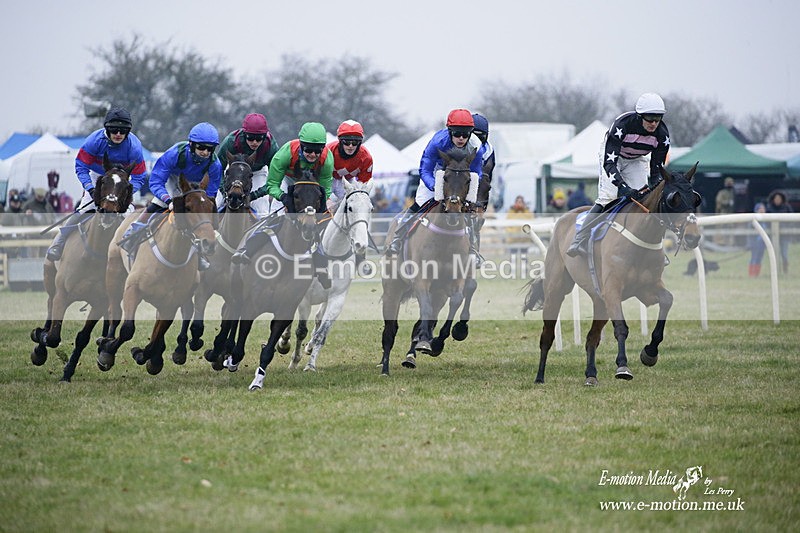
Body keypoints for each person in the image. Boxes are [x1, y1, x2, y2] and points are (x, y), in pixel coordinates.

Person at [566, 92, 670, 257]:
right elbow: (609, 163)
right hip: (613, 158)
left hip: (637, 160)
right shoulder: (622, 125)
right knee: (608, 197)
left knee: (645, 198)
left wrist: (654, 188)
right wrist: (623, 187)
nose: (654, 123)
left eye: (658, 119)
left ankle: (652, 247)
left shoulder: (662, 135)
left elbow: (656, 169)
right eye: (650, 118)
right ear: (640, 116)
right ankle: (580, 239)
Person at [231, 122, 333, 286]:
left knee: (316, 222)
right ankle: (247, 249)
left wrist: (319, 204)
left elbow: (326, 189)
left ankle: (321, 266)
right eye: (308, 150)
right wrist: (284, 197)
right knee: (275, 218)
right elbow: (271, 185)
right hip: (288, 181)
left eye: (317, 150)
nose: (313, 154)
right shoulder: (284, 154)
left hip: (312, 186)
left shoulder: (327, 159)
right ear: (301, 146)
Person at [45, 106, 148, 261]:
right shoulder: (94, 141)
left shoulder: (134, 147)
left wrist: (125, 193)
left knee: (128, 213)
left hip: (121, 181)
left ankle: (134, 251)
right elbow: (81, 166)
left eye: (123, 131)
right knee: (85, 208)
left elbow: (140, 177)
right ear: (107, 129)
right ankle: (58, 243)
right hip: (99, 176)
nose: (118, 134)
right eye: (114, 130)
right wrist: (91, 189)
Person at [120, 122, 222, 270]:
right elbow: (156, 180)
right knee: (158, 204)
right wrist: (168, 199)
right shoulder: (175, 153)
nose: (205, 152)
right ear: (192, 145)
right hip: (172, 179)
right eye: (201, 147)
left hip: (196, 186)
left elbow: (211, 193)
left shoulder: (215, 165)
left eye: (210, 149)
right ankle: (133, 233)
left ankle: (200, 255)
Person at [385, 108, 485, 256]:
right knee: (420, 203)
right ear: (450, 131)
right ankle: (397, 238)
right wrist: (435, 186)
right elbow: (425, 169)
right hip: (435, 174)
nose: (461, 138)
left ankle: (473, 250)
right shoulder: (438, 142)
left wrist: (467, 193)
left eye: (465, 134)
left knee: (469, 210)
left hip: (459, 180)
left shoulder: (476, 148)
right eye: (457, 133)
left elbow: (477, 174)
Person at [327, 119, 374, 273]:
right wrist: (326, 199)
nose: (350, 146)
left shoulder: (366, 157)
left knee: (358, 210)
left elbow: (363, 187)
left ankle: (360, 257)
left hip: (348, 183)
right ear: (340, 141)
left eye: (355, 142)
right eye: (347, 142)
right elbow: (322, 177)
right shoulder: (328, 151)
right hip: (327, 180)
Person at [216, 113, 279, 215]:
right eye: (250, 138)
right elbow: (217, 169)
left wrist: (254, 196)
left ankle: (263, 230)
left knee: (262, 210)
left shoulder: (271, 147)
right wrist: (224, 191)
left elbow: (274, 180)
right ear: (244, 134)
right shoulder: (230, 142)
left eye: (259, 138)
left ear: (265, 136)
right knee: (216, 202)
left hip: (258, 172)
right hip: (233, 172)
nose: (254, 142)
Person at [766, 189, 794, 274]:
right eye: (776, 198)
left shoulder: (787, 207)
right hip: (773, 235)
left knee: (784, 254)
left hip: (784, 236)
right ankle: (775, 272)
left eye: (779, 198)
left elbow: (791, 220)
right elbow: (767, 222)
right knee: (773, 255)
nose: (777, 200)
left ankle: (785, 271)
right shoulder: (770, 208)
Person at [748, 202, 767, 277]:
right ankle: (751, 274)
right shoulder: (753, 221)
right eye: (760, 209)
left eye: (763, 208)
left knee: (759, 258)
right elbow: (750, 234)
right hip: (755, 243)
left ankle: (756, 274)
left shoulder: (766, 221)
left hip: (762, 244)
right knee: (754, 258)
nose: (762, 210)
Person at [715, 177, 736, 245]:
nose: (730, 185)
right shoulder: (722, 192)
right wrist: (727, 202)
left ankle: (730, 244)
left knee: (731, 230)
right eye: (728, 183)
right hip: (723, 213)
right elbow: (719, 202)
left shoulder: (733, 193)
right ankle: (720, 244)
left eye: (731, 183)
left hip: (731, 214)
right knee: (721, 230)